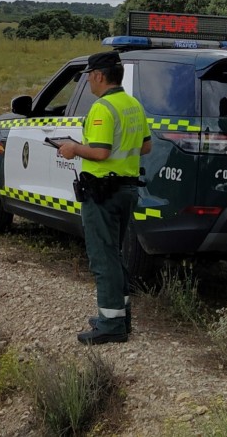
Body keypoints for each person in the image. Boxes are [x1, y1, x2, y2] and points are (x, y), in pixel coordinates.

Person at [56, 50, 151, 345]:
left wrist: (72, 148)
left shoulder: (102, 108)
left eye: (89, 77)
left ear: (99, 75)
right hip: (127, 190)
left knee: (103, 256)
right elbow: (145, 147)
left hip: (102, 192)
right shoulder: (133, 104)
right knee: (115, 253)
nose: (89, 83)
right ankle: (118, 315)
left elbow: (100, 152)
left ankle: (111, 326)